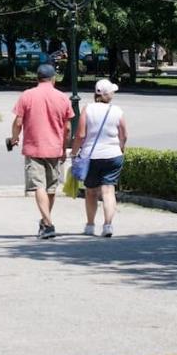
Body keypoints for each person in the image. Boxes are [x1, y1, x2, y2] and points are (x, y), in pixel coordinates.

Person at [10, 63, 73, 239]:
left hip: (34, 147)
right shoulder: (62, 98)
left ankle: (49, 224)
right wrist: (63, 146)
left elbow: (18, 122)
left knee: (39, 186)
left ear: (37, 78)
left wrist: (15, 138)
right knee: (51, 188)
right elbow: (67, 127)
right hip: (55, 148)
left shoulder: (27, 95)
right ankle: (45, 222)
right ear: (53, 79)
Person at [71, 78, 128, 237]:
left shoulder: (87, 109)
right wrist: (120, 148)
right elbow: (124, 135)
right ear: (106, 94)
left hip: (91, 156)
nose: (113, 94)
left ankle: (90, 225)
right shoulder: (117, 111)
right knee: (108, 191)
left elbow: (81, 134)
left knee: (91, 192)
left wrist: (74, 152)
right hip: (113, 154)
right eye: (112, 92)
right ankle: (108, 225)